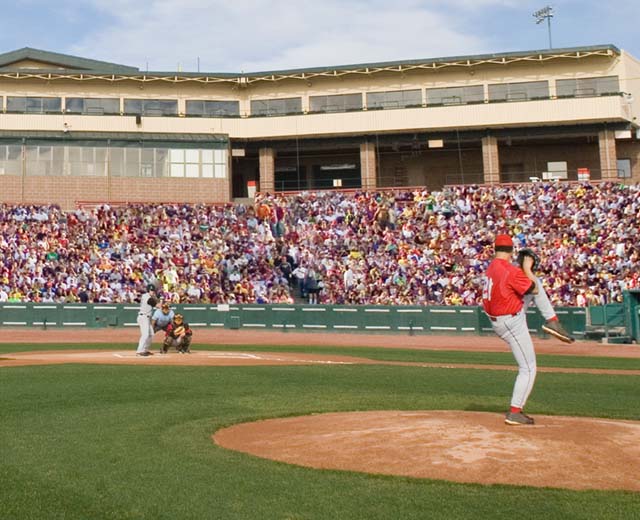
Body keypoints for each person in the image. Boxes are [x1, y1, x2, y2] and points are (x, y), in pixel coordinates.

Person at [482, 234, 574, 426]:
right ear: (511, 250)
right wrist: (526, 267)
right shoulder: (510, 270)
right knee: (529, 367)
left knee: (537, 284)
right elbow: (532, 289)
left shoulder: (492, 266)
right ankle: (515, 412)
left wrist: (523, 270)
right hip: (510, 321)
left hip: (501, 315)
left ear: (495, 249)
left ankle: (552, 321)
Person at [136, 283, 158, 357]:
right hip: (143, 317)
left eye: (153, 291)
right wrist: (163, 303)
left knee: (151, 334)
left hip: (147, 318)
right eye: (151, 290)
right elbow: (156, 305)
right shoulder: (146, 297)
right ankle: (139, 351)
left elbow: (155, 302)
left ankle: (145, 350)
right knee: (145, 334)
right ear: (148, 290)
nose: (153, 292)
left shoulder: (148, 296)